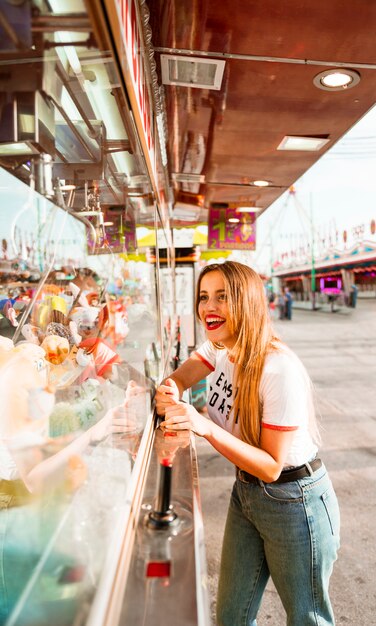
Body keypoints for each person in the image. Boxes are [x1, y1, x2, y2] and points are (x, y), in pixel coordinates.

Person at [156, 261, 340, 626]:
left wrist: (203, 427)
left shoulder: (277, 369)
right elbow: (179, 378)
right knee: (231, 617)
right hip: (246, 493)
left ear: (246, 301)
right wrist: (170, 391)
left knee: (307, 619)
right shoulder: (219, 347)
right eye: (204, 297)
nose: (209, 307)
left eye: (223, 297)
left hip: (294, 500)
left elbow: (271, 465)